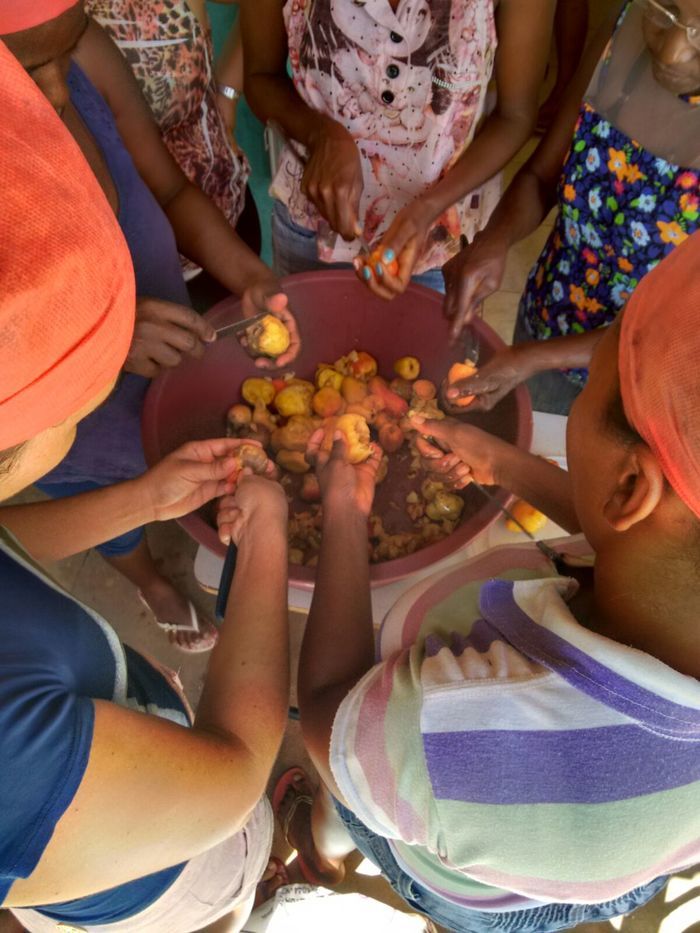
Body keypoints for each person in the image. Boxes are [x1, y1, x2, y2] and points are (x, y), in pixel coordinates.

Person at [280, 233, 700, 931]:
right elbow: (637, 543)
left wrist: (345, 512)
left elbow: (330, 712)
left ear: (631, 485)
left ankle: (327, 847)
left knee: (356, 807)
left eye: (592, 377)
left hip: (455, 862)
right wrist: (509, 466)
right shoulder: (666, 584)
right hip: (592, 868)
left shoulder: (459, 731)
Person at [0, 38, 290, 932]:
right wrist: (271, 536)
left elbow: (7, 544)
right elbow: (235, 768)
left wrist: (150, 500)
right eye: (89, 377)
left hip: (105, 720)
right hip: (144, 878)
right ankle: (241, 894)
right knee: (222, 871)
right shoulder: (15, 760)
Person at [1, 0, 300, 652]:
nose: (57, 87)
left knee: (174, 458)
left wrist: (249, 274)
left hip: (163, 340)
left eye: (68, 44)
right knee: (102, 494)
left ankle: (156, 511)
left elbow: (168, 190)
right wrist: (100, 339)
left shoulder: (86, 56)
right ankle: (148, 579)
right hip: (75, 419)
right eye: (28, 69)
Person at [443, 0, 700, 415]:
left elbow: (678, 334)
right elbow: (541, 177)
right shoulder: (623, 32)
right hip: (545, 318)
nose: (672, 51)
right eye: (665, 11)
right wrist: (496, 238)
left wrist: (532, 359)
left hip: (639, 393)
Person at [243, 0, 555, 297]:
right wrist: (319, 134)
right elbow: (260, 77)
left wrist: (429, 208)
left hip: (439, 247)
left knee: (425, 352)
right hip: (311, 225)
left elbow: (515, 115)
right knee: (307, 349)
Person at [85, 0, 262, 287]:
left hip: (215, 234)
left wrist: (227, 93)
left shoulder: (86, 38)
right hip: (109, 278)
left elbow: (169, 190)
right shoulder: (55, 31)